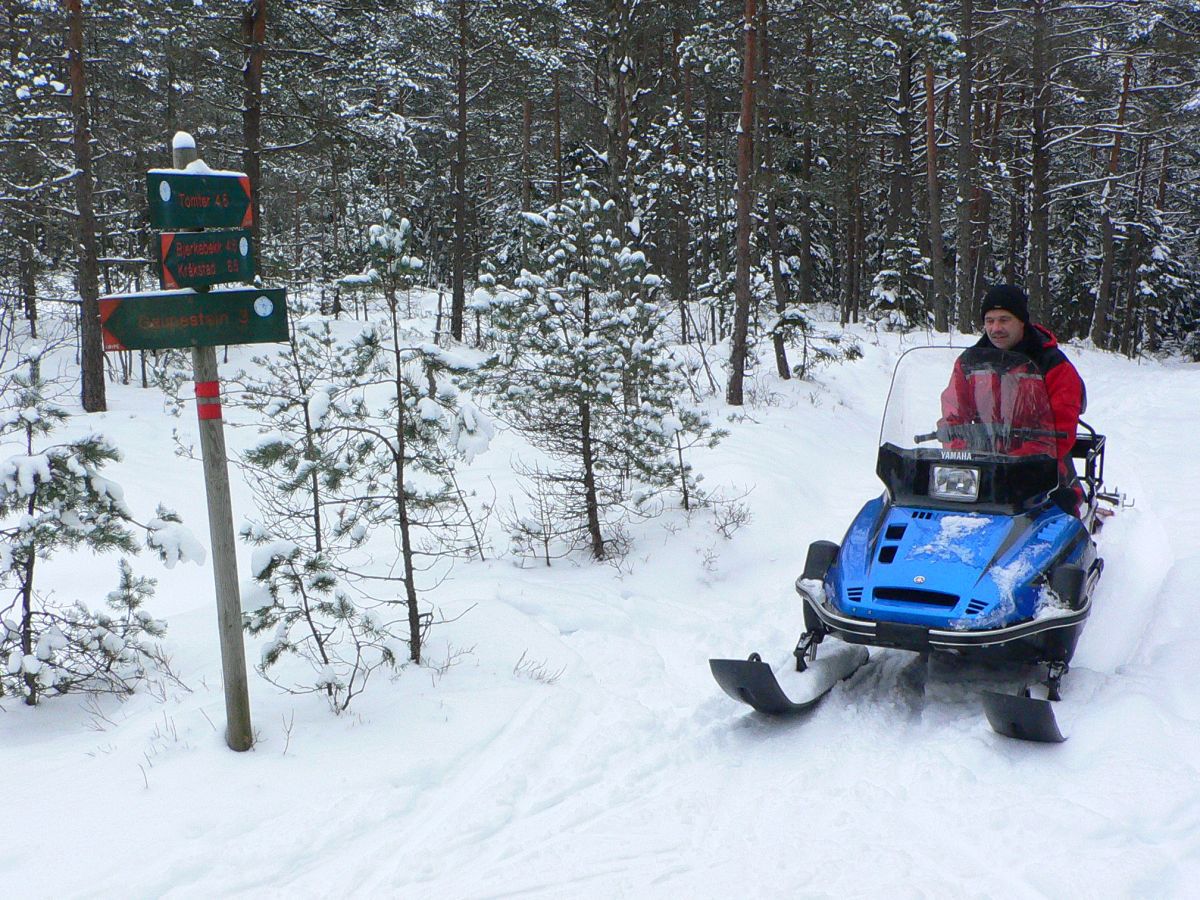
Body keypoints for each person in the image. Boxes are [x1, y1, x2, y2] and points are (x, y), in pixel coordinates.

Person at [940, 283, 1086, 513]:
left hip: (1038, 468)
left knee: (1056, 519)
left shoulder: (1052, 365)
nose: (995, 328)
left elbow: (1059, 430)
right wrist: (962, 452)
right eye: (989, 321)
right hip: (980, 468)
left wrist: (1014, 463)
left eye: (1004, 320)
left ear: (1021, 321)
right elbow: (954, 415)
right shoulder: (970, 362)